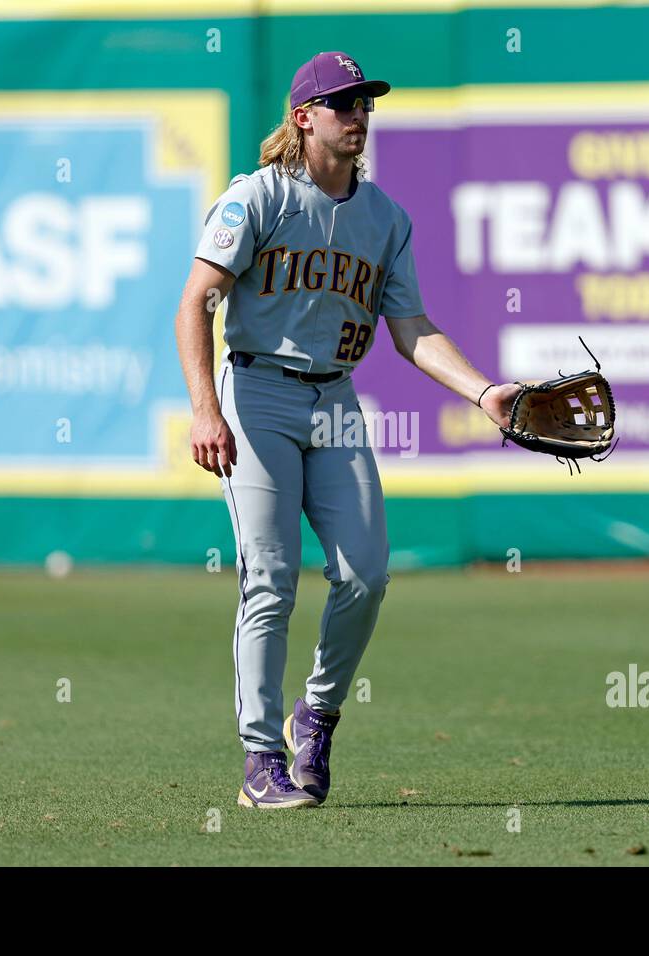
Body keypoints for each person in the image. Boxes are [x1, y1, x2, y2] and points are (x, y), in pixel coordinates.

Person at [174, 51, 519, 809]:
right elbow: (196, 301)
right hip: (258, 389)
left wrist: (485, 391)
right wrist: (206, 408)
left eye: (364, 103)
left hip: (334, 400)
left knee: (366, 574)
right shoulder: (258, 197)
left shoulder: (385, 218)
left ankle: (317, 713)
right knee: (270, 577)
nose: (358, 115)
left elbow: (413, 329)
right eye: (342, 103)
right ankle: (261, 760)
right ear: (303, 117)